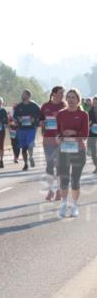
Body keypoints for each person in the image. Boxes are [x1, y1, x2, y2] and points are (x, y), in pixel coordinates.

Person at [56, 88, 91, 218]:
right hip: (64, 150)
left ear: (78, 100)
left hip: (79, 151)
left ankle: (75, 206)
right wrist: (59, 137)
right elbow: (57, 132)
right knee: (64, 179)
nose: (70, 100)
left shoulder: (83, 115)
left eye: (73, 97)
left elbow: (85, 135)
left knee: (75, 180)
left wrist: (73, 133)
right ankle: (64, 204)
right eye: (69, 97)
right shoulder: (60, 114)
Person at [40, 86, 66, 201]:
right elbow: (40, 121)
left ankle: (59, 191)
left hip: (61, 140)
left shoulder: (65, 106)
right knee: (50, 165)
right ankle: (50, 190)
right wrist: (44, 124)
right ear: (54, 93)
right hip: (48, 140)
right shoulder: (45, 106)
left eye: (63, 93)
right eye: (61, 93)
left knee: (60, 166)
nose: (62, 95)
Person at [13, 90, 41, 171]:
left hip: (31, 129)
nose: (22, 96)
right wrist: (19, 119)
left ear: (28, 96)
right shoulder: (18, 106)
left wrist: (34, 119)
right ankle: (26, 163)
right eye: (22, 95)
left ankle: (31, 157)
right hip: (21, 129)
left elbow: (39, 116)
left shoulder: (34, 106)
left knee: (30, 145)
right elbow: (15, 117)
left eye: (23, 95)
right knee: (24, 148)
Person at [87, 95, 97, 174]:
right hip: (92, 133)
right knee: (93, 152)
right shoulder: (90, 112)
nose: (95, 103)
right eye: (94, 102)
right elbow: (87, 122)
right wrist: (90, 125)